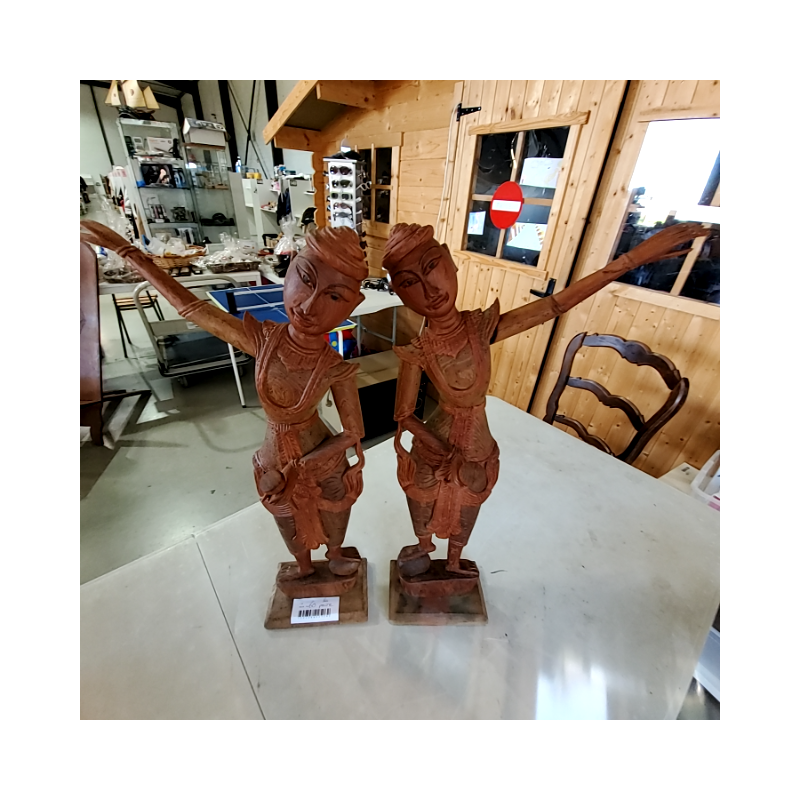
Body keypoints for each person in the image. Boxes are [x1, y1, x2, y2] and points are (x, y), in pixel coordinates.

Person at [382, 221, 706, 582]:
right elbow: (405, 415)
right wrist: (443, 451)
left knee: (473, 488)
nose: (429, 290)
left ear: (450, 261)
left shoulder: (479, 329)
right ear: (398, 292)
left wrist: (630, 261)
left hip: (477, 440)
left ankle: (455, 559)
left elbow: (555, 304)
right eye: (409, 282)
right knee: (422, 483)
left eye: (432, 267)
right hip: (435, 440)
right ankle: (424, 544)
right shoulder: (419, 350)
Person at [80, 221, 369, 583]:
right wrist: (129, 253)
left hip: (323, 458)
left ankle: (336, 552)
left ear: (354, 304)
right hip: (274, 455)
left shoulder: (334, 366)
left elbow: (353, 432)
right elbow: (192, 308)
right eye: (306, 280)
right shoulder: (265, 340)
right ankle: (304, 565)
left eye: (334, 297)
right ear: (290, 268)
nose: (310, 306)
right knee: (283, 509)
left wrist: (308, 463)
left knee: (335, 502)